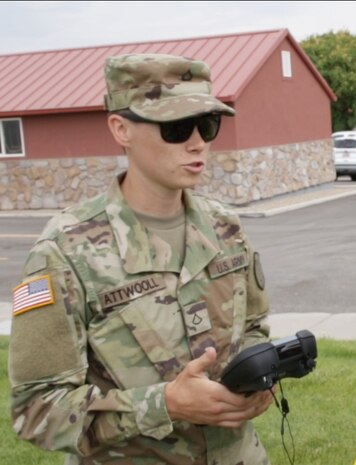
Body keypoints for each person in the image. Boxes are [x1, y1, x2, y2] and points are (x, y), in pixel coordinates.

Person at [9, 53, 274, 464]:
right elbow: (36, 411)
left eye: (207, 124)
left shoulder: (225, 227)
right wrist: (164, 404)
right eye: (176, 127)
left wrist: (260, 376)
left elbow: (254, 328)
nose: (197, 142)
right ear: (121, 129)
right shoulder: (65, 251)